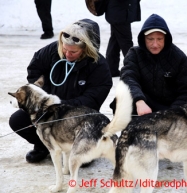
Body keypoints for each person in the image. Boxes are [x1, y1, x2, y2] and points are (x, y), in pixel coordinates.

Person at [9, 19, 113, 163]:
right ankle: (43, 145)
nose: (67, 54)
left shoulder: (98, 65)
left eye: (73, 51)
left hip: (77, 116)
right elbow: (34, 69)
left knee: (82, 162)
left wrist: (62, 106)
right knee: (17, 121)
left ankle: (77, 148)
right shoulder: (52, 50)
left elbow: (93, 98)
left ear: (86, 48)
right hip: (47, 108)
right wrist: (42, 96)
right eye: (65, 49)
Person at [111, 14, 187, 116]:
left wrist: (172, 113)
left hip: (169, 108)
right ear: (143, 38)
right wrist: (139, 100)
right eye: (150, 39)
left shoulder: (179, 57)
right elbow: (128, 78)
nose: (155, 44)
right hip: (141, 105)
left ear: (166, 38)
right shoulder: (134, 54)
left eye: (159, 39)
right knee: (121, 99)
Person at [105, 0, 141, 77]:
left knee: (115, 42)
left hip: (118, 12)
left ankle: (111, 69)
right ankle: (133, 69)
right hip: (120, 13)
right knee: (126, 43)